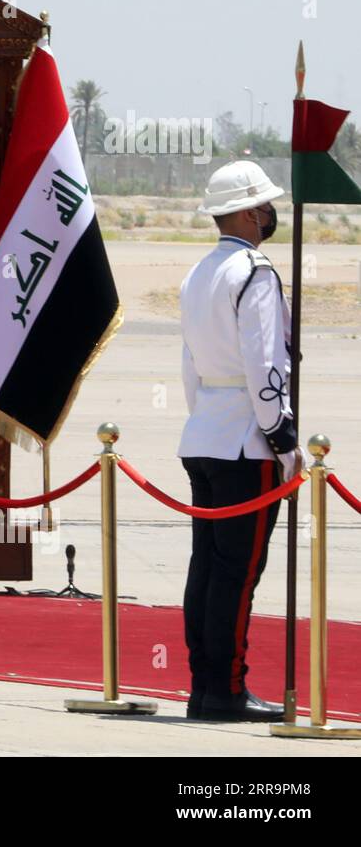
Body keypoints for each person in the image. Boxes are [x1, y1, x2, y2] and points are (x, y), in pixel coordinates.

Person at [179, 160, 304, 721]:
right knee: (236, 572)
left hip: (205, 430)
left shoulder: (200, 272)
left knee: (206, 566)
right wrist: (283, 439)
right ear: (251, 212)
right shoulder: (255, 271)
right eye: (266, 205)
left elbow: (190, 365)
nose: (271, 214)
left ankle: (204, 686)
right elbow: (264, 362)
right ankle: (226, 690)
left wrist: (206, 417)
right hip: (245, 441)